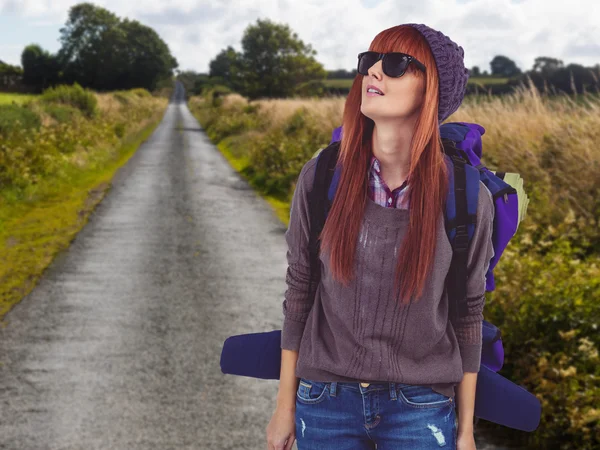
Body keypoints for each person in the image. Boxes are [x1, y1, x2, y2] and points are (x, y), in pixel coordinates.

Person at [266, 23, 494, 450]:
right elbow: (300, 291)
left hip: (420, 407)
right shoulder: (321, 178)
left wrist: (465, 432)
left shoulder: (464, 197)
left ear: (432, 90)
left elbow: (468, 314)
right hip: (324, 400)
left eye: (395, 64)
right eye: (369, 61)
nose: (374, 72)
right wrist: (285, 409)